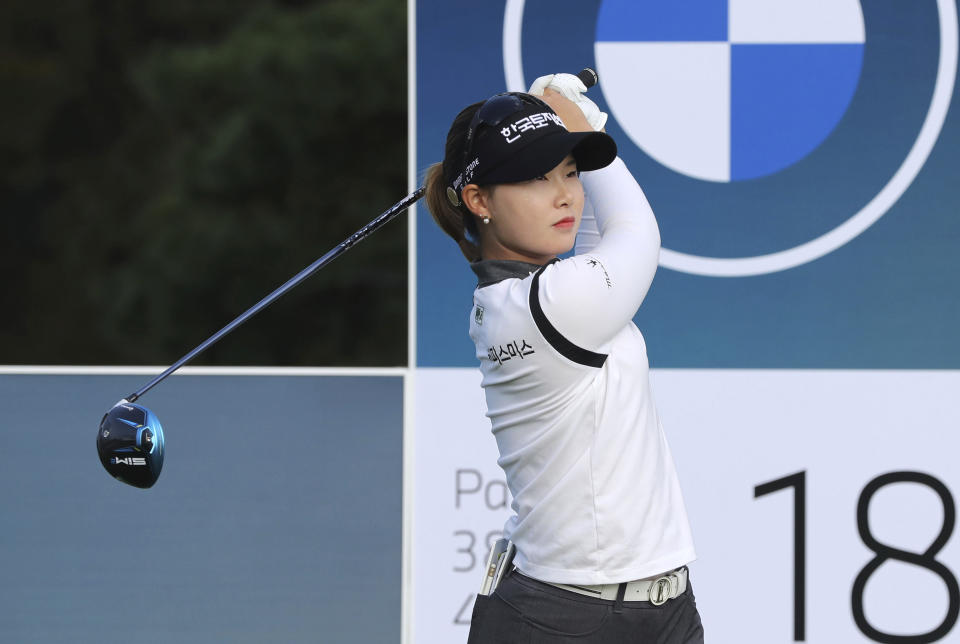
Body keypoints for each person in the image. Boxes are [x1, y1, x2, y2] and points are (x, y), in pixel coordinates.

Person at [424, 73, 704, 643]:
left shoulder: (535, 296)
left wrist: (575, 127)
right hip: (560, 620)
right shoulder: (546, 304)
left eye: (571, 173)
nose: (565, 195)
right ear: (478, 201)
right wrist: (585, 126)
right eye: (534, 179)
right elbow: (636, 235)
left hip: (663, 609)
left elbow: (605, 237)